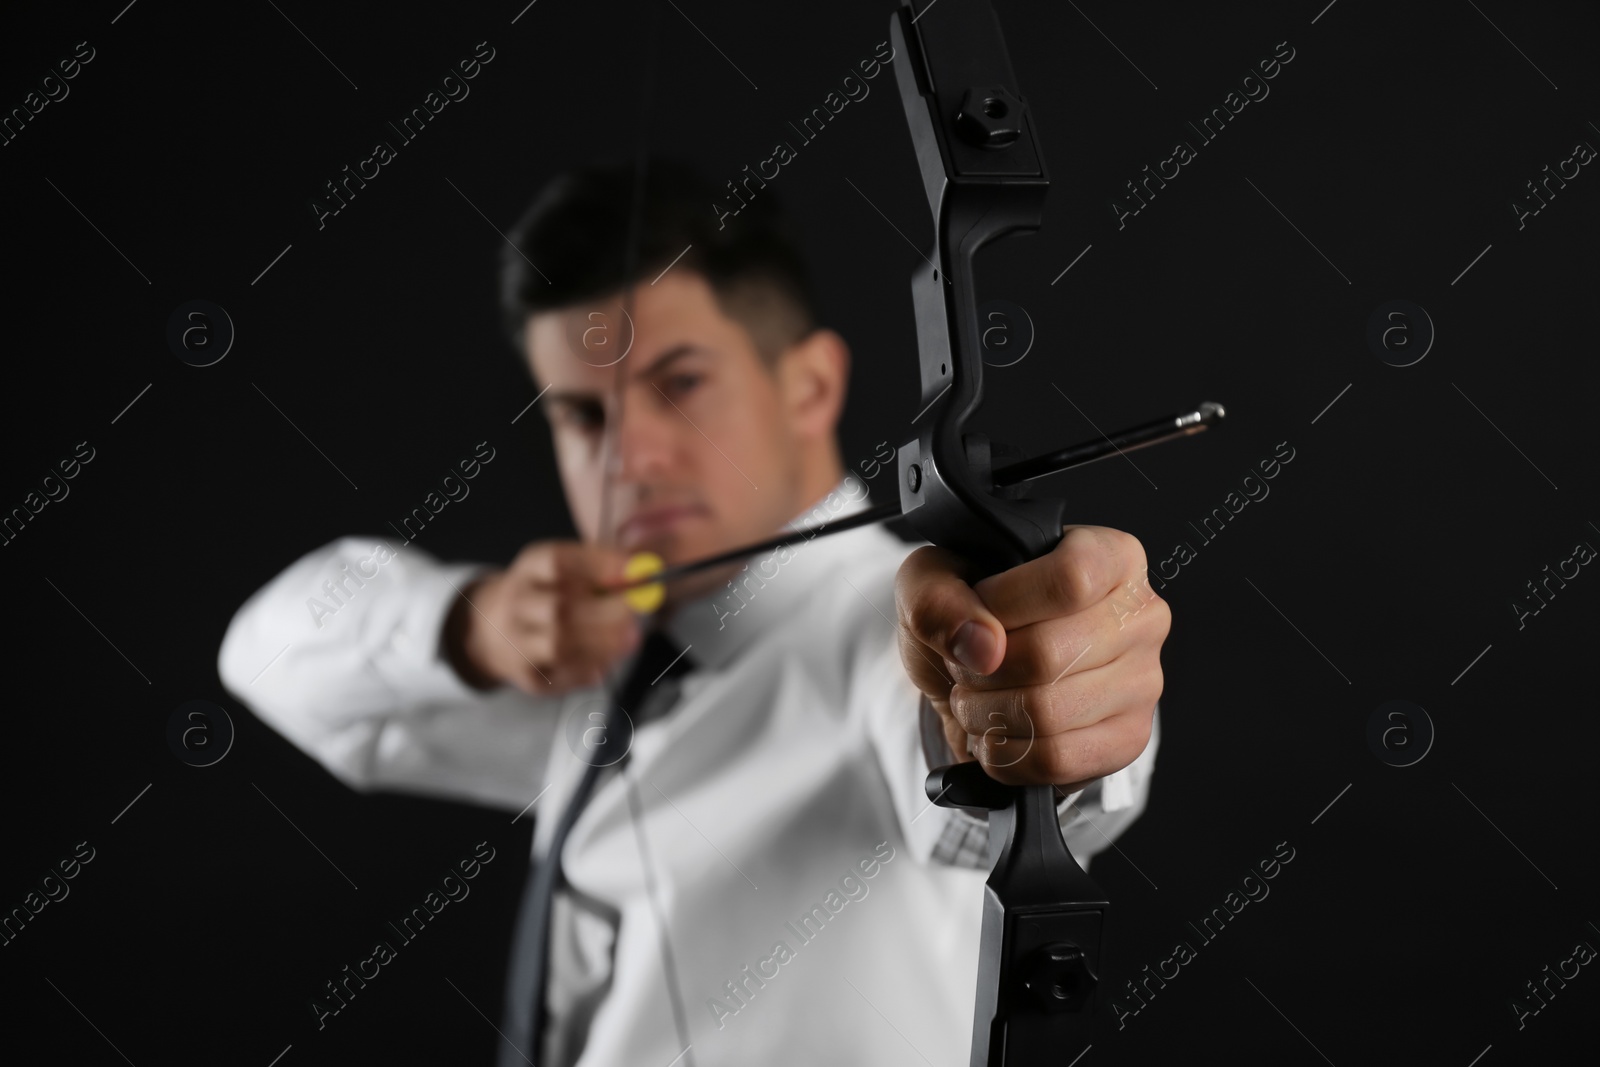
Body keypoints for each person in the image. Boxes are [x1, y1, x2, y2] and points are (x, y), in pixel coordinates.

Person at [217, 156, 1170, 1067]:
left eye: (678, 385)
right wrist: (474, 625)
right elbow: (268, 659)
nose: (630, 457)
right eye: (585, 416)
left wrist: (1037, 701)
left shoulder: (881, 635)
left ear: (810, 386)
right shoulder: (595, 664)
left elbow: (978, 758)